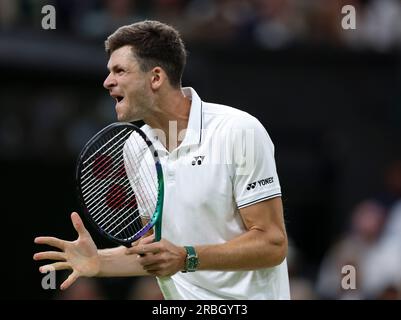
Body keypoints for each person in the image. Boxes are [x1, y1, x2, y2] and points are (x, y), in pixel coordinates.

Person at [34, 20, 290, 300]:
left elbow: (272, 243)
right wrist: (99, 262)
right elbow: (156, 253)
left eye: (119, 71)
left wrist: (186, 257)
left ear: (155, 78)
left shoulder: (238, 131)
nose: (107, 82)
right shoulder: (134, 147)